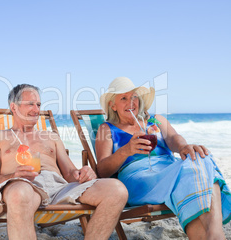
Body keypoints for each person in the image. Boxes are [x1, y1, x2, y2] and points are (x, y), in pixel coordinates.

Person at [0, 84, 128, 240]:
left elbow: (70, 174)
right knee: (19, 193)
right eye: (30, 104)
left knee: (116, 190)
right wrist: (14, 175)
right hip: (24, 187)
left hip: (59, 189)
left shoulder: (51, 137)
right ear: (14, 107)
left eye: (38, 104)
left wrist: (83, 173)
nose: (36, 109)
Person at [96, 77, 231, 240]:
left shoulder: (155, 120)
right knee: (194, 171)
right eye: (123, 98)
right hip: (138, 181)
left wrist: (183, 147)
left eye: (134, 97)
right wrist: (126, 151)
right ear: (113, 105)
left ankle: (213, 234)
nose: (131, 102)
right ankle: (217, 234)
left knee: (201, 156)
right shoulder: (106, 129)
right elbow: (102, 170)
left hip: (169, 173)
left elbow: (174, 137)